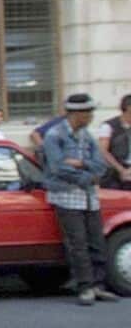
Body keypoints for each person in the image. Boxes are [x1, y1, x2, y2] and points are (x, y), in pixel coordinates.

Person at [42, 93, 120, 306]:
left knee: (96, 241)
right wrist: (88, 175)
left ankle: (98, 285)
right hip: (66, 196)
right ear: (76, 113)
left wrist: (80, 164)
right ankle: (85, 286)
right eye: (88, 112)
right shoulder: (54, 135)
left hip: (89, 196)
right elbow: (58, 167)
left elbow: (100, 164)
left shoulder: (87, 135)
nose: (91, 116)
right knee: (77, 243)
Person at [98, 93, 131, 190]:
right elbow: (103, 151)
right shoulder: (108, 126)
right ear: (128, 108)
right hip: (113, 173)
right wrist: (121, 170)